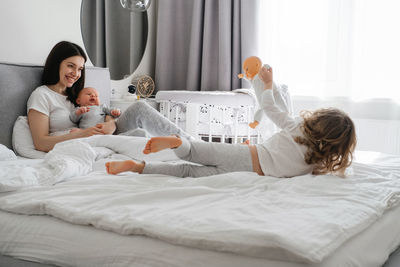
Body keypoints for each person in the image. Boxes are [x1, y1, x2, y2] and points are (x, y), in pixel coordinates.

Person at [105, 65, 357, 178]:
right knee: (188, 172)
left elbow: (269, 107)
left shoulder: (298, 129)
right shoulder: (316, 162)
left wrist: (268, 85)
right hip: (250, 171)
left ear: (319, 121)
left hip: (247, 154)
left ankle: (177, 143)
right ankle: (136, 167)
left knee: (195, 151)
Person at [28, 40, 192, 152]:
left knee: (140, 107)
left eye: (80, 69)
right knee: (140, 136)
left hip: (104, 133)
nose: (76, 73)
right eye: (71, 66)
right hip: (85, 141)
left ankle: (190, 143)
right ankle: (173, 148)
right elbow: (40, 143)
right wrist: (83, 134)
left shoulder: (77, 95)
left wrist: (111, 123)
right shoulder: (42, 95)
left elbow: (100, 111)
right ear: (57, 63)